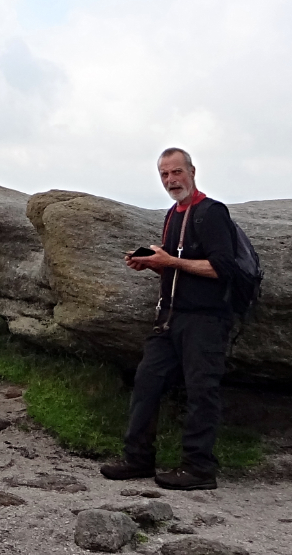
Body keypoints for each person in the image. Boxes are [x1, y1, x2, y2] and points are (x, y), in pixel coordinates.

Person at [101, 147, 237, 491]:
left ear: (192, 171)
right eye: (164, 175)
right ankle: (138, 458)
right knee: (147, 382)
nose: (171, 180)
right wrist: (151, 263)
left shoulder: (212, 213)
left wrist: (171, 263)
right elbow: (175, 266)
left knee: (201, 391)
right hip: (169, 318)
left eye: (176, 172)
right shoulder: (173, 215)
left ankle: (199, 469)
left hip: (205, 320)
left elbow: (222, 269)